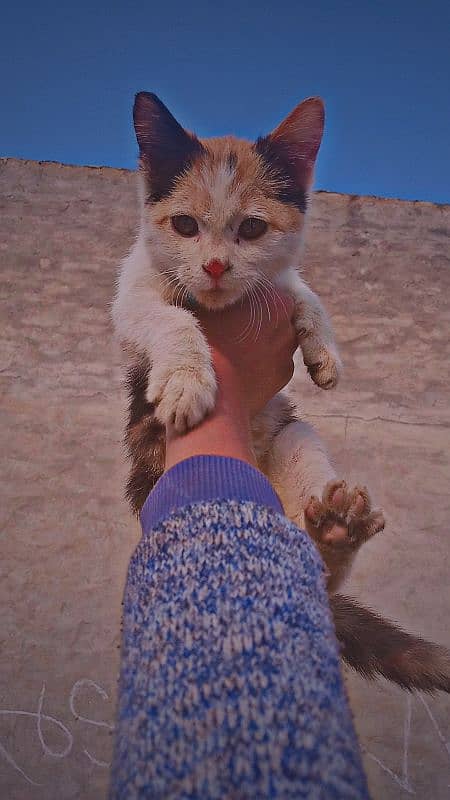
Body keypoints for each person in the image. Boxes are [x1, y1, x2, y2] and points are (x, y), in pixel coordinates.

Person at [109, 290, 370, 799]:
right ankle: (312, 555)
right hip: (180, 449)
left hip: (228, 487)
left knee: (299, 445)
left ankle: (316, 542)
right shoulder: (158, 275)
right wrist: (225, 382)